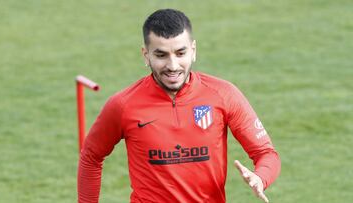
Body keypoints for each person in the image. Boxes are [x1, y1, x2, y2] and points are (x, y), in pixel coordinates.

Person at [78, 8, 280, 203]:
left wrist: (260, 177)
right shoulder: (123, 105)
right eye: (161, 55)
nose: (173, 66)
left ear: (193, 51)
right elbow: (91, 157)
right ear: (146, 55)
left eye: (180, 53)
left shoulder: (224, 95)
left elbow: (266, 154)